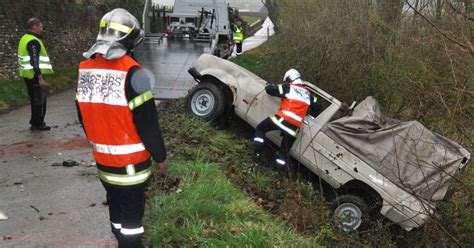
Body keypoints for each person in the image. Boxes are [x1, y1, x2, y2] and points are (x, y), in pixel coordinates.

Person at [75, 9, 166, 248]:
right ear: (132, 40)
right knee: (132, 222)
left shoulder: (85, 70)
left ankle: (119, 238)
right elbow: (147, 123)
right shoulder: (134, 73)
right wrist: (160, 155)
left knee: (115, 207)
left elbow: (83, 116)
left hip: (102, 161)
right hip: (132, 166)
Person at [253, 69, 320, 169]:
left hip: (283, 119)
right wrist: (308, 112)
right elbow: (318, 107)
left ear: (290, 78)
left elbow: (271, 90)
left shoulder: (289, 87)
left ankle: (256, 155)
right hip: (295, 128)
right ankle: (277, 170)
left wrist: (268, 85)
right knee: (284, 149)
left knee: (261, 128)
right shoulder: (308, 94)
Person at [17, 18, 53, 131]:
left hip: (27, 74)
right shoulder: (33, 41)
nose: (41, 29)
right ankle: (38, 124)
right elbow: (34, 60)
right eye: (40, 26)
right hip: (33, 75)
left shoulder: (24, 38)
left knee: (35, 99)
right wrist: (40, 77)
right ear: (35, 27)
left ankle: (35, 122)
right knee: (39, 99)